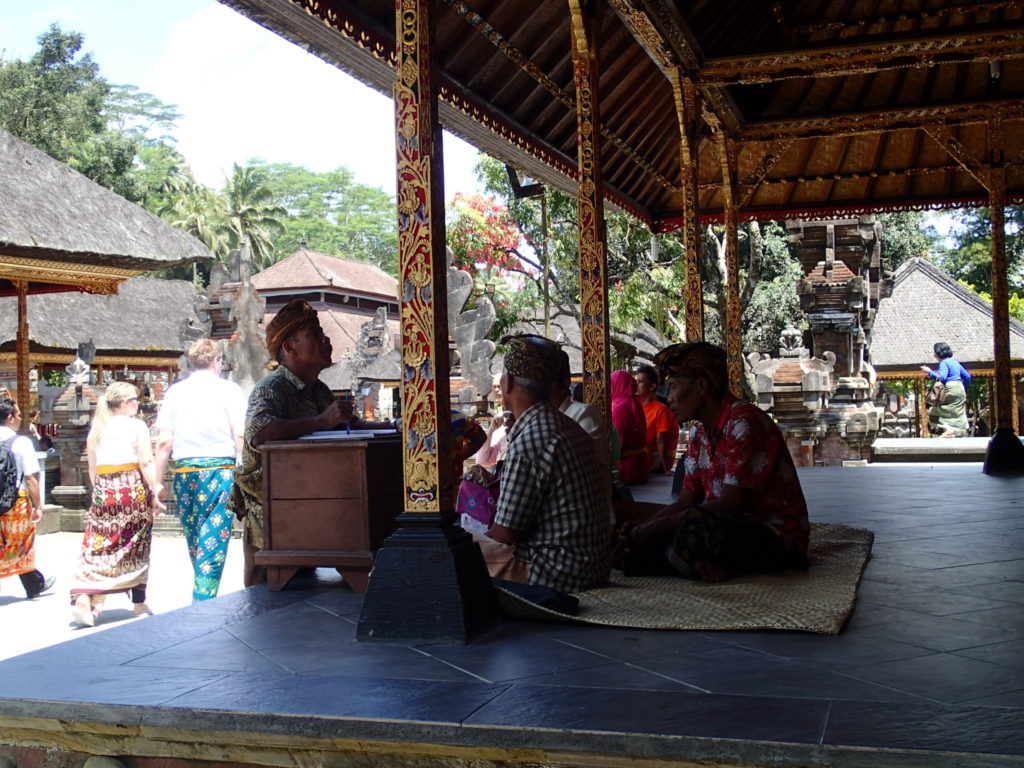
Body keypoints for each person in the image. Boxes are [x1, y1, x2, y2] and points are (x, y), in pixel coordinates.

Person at [612, 342, 809, 583]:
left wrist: (654, 530)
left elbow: (730, 504)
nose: (669, 398)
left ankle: (679, 559)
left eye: (673, 387)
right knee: (624, 515)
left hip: (771, 534)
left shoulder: (744, 423)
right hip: (723, 523)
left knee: (691, 523)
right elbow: (686, 500)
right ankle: (686, 560)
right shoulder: (699, 433)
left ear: (702, 386)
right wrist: (643, 527)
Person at [232, 299, 394, 586]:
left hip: (310, 509)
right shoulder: (271, 389)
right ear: (290, 347)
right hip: (273, 518)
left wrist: (396, 426)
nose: (326, 340)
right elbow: (260, 433)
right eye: (315, 335)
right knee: (267, 605)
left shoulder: (319, 390)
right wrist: (321, 421)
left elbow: (350, 427)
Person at [476, 334, 610, 593]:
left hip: (555, 573)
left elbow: (506, 534)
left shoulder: (531, 439)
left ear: (508, 381)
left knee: (447, 551)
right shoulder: (564, 425)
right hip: (591, 567)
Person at [154, 339, 246, 601]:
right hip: (220, 471)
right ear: (216, 361)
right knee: (212, 539)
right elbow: (239, 434)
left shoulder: (175, 392)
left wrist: (157, 482)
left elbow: (163, 442)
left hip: (184, 474)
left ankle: (203, 595)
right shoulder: (229, 391)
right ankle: (202, 601)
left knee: (195, 538)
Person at [71, 382, 164, 626]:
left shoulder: (97, 428)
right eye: (135, 399)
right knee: (136, 543)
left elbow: (92, 468)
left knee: (98, 543)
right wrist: (156, 489)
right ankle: (138, 602)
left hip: (104, 488)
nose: (138, 404)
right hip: (130, 488)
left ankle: (84, 595)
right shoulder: (136, 426)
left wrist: (101, 493)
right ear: (125, 403)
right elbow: (145, 461)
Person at [0, 398, 55, 600]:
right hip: (16, 500)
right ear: (9, 417)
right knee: (21, 542)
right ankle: (34, 584)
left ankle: (34, 583)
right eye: (19, 415)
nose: (20, 419)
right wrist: (38, 505)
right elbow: (31, 477)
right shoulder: (21, 442)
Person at [635, 364, 679, 476]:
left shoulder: (660, 409)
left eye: (640, 382)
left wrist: (665, 469)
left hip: (651, 461)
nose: (636, 385)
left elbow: (660, 441)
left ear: (652, 386)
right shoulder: (634, 407)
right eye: (636, 381)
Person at [921, 342, 972, 438]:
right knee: (958, 412)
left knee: (934, 412)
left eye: (935, 353)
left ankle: (949, 429)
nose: (934, 355)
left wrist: (929, 371)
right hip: (959, 388)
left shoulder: (944, 363)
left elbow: (942, 377)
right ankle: (959, 430)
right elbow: (967, 377)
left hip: (950, 388)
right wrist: (964, 389)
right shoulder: (955, 362)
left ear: (938, 354)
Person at [610, 370, 649, 484]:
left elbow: (618, 439)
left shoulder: (620, 406)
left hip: (626, 469)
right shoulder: (635, 403)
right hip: (640, 466)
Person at [474, 374, 511, 470]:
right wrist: (490, 431)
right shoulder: (499, 418)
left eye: (499, 386)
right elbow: (483, 461)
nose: (496, 390)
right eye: (494, 387)